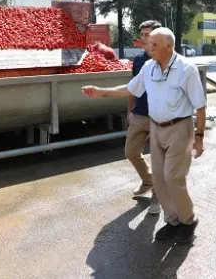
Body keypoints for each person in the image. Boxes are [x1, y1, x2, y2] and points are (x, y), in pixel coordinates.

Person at [82, 27, 207, 244]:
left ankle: (188, 221)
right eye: (148, 44)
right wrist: (101, 91)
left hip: (180, 128)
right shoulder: (149, 67)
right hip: (156, 127)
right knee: (158, 179)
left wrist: (199, 137)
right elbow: (131, 89)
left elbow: (201, 106)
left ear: (169, 46)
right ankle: (172, 221)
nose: (149, 48)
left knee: (173, 178)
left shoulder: (187, 70)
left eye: (154, 44)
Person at [125, 20, 162, 215]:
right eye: (143, 35)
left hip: (160, 117)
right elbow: (133, 86)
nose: (144, 38)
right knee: (131, 152)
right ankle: (148, 181)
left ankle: (158, 195)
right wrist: (129, 110)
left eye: (148, 34)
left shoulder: (167, 58)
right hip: (139, 113)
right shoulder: (139, 59)